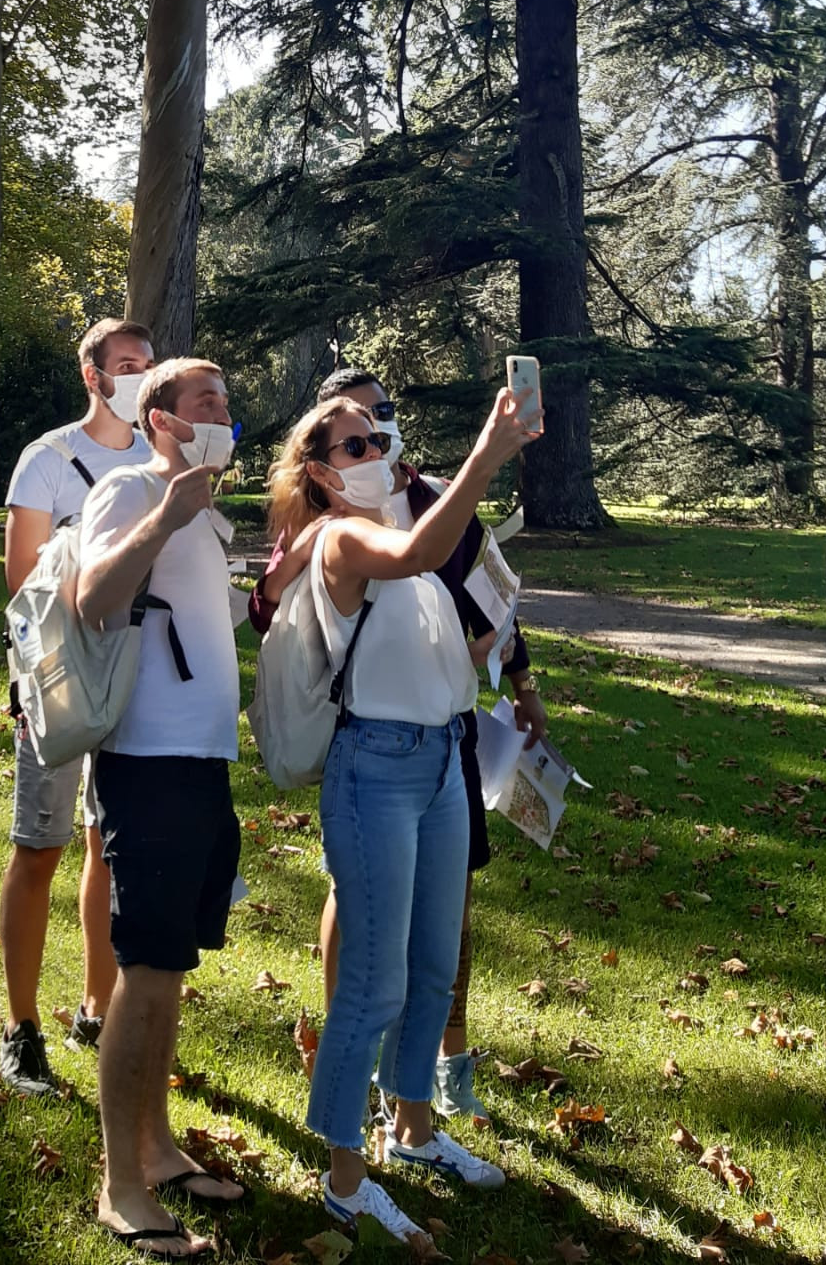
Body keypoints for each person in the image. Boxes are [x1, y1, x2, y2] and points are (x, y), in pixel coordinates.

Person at [263, 389, 531, 1247]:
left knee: (432, 966)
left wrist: (491, 658)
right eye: (352, 446)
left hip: (443, 761)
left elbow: (453, 609)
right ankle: (346, 1179)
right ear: (320, 474)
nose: (375, 449)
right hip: (373, 768)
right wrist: (486, 458)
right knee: (373, 985)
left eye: (377, 436)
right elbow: (416, 553)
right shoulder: (347, 537)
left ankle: (413, 1129)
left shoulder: (410, 522)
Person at [71, 358, 247, 1260]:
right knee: (141, 975)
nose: (224, 412)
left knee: (170, 967)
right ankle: (120, 1186)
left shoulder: (203, 506)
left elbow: (191, 619)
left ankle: (158, 1145)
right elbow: (92, 598)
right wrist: (165, 512)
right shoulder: (132, 486)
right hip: (147, 764)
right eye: (206, 402)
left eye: (226, 399)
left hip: (204, 763)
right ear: (160, 419)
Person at [0, 317, 156, 1095]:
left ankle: (97, 1008)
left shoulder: (165, 461)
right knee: (42, 844)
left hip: (134, 675)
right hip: (59, 675)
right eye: (126, 365)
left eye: (148, 364)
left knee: (107, 845)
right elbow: (20, 581)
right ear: (92, 376)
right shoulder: (49, 459)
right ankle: (20, 1027)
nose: (139, 376)